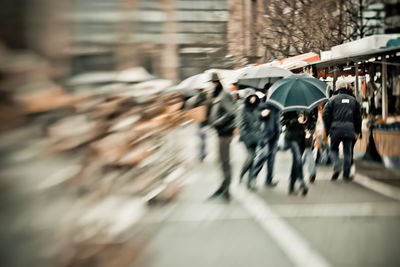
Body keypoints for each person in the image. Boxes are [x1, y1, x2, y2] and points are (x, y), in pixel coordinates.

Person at [323, 79, 362, 181]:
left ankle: (336, 167)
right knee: (347, 152)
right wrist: (358, 131)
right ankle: (346, 174)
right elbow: (358, 117)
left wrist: (327, 130)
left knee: (333, 149)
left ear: (337, 88)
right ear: (345, 87)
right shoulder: (353, 100)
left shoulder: (332, 100)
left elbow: (325, 115)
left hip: (335, 129)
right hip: (349, 130)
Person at [208, 72, 236, 201]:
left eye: (213, 83)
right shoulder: (219, 94)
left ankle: (227, 189)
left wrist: (217, 122)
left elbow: (231, 113)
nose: (212, 85)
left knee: (225, 161)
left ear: (217, 82)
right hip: (221, 133)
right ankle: (223, 186)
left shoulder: (224, 94)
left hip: (225, 133)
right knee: (222, 161)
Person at [250, 83, 281, 190]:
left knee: (272, 158)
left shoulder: (276, 102)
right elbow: (255, 116)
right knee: (263, 155)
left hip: (275, 133)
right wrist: (262, 114)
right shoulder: (261, 102)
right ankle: (252, 177)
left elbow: (279, 115)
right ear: (265, 91)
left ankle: (269, 179)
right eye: (270, 90)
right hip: (264, 134)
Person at [237, 89, 261, 189]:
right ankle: (242, 174)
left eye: (254, 97)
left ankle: (250, 182)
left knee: (253, 160)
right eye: (251, 97)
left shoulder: (257, 108)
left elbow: (259, 122)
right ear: (247, 98)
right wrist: (247, 138)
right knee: (250, 157)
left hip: (256, 137)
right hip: (247, 137)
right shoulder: (242, 108)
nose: (253, 99)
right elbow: (241, 125)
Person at [281, 111, 308, 196]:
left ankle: (291, 185)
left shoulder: (305, 108)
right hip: (292, 138)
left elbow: (312, 120)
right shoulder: (289, 108)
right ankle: (302, 182)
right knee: (298, 159)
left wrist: (308, 126)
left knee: (296, 162)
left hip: (302, 138)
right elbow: (283, 121)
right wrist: (296, 120)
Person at [301, 109, 318, 183]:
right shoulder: (312, 103)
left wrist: (309, 130)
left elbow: (314, 118)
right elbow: (314, 118)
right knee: (306, 152)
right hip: (306, 132)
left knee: (306, 151)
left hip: (303, 133)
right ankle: (297, 172)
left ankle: (311, 173)